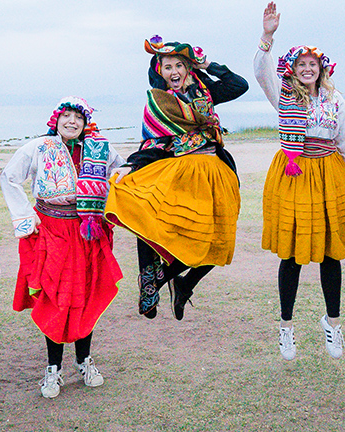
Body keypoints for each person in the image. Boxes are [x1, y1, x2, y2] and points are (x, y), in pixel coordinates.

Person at [105, 36, 248, 320]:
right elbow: (154, 143)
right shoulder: (159, 102)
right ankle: (149, 280)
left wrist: (207, 65)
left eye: (179, 65)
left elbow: (238, 85)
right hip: (181, 172)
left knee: (218, 239)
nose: (174, 71)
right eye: (167, 66)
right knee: (149, 213)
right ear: (160, 70)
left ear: (188, 68)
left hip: (215, 171)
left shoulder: (204, 91)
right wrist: (131, 166)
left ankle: (169, 281)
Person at [254, 2, 345, 360]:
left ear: (321, 69)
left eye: (312, 64)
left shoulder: (334, 99)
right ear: (293, 69)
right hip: (294, 174)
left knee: (331, 253)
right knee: (292, 254)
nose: (307, 68)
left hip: (329, 172)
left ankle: (333, 323)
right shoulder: (283, 94)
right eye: (301, 64)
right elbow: (261, 72)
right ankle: (286, 327)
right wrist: (267, 36)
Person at [1, 98, 124, 398]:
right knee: (55, 299)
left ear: (85, 123)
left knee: (86, 295)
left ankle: (84, 361)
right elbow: (9, 177)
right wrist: (26, 217)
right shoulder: (39, 147)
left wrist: (109, 207)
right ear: (56, 120)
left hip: (86, 232)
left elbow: (122, 173)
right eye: (66, 115)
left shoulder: (100, 150)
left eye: (78, 117)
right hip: (51, 230)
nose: (72, 121)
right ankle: (53, 369)